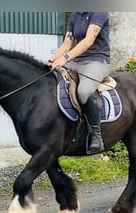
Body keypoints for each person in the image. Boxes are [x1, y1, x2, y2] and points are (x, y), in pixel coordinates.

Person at [47, 12, 110, 154]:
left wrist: (64, 59)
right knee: (50, 77)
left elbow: (89, 40)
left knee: (84, 92)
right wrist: (53, 60)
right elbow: (67, 43)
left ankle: (96, 136)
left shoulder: (99, 12)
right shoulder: (76, 16)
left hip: (96, 61)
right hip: (76, 62)